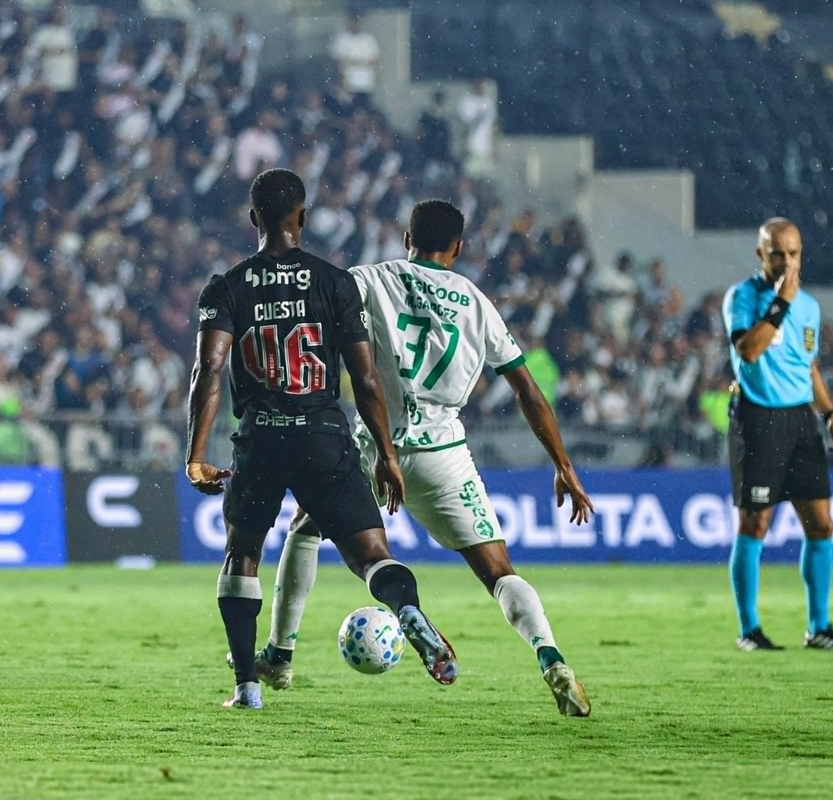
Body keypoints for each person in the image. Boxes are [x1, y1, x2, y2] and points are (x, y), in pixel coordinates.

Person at [253, 199, 596, 717]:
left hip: (376, 447)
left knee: (305, 527)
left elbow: (311, 313)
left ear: (406, 239)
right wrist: (563, 465)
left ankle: (280, 655)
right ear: (457, 247)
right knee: (498, 571)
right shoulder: (477, 303)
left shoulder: (370, 280)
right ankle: (551, 657)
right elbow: (527, 390)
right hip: (445, 455)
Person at [185, 170, 458, 710]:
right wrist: (386, 454)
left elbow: (208, 371)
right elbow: (366, 378)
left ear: (253, 218)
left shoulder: (228, 286)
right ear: (303, 217)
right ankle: (407, 611)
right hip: (324, 438)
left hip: (261, 439)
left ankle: (247, 687)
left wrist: (196, 456)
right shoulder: (334, 283)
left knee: (243, 555)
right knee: (371, 555)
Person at [721, 218, 833, 651]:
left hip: (800, 421)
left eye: (793, 253)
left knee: (821, 524)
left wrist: (829, 412)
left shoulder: (809, 307)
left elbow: (807, 366)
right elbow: (748, 350)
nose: (786, 261)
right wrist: (780, 302)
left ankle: (819, 627)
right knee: (755, 522)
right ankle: (749, 630)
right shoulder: (743, 297)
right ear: (760, 254)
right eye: (777, 253)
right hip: (757, 418)